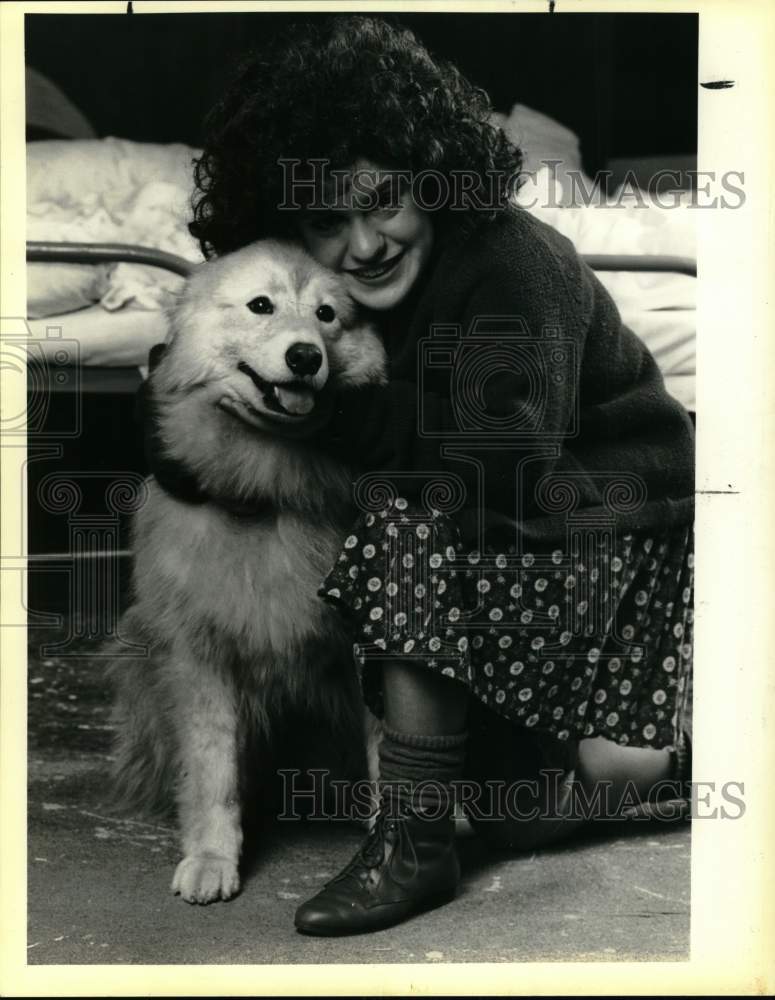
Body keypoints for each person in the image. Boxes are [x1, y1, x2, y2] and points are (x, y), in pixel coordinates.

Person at [145, 15, 695, 936]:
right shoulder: (344, 294)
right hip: (518, 528)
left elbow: (495, 471)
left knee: (408, 513)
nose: (362, 245)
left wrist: (325, 413)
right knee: (519, 801)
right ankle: (622, 772)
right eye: (328, 220)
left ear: (436, 178)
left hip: (605, 515)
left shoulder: (512, 271)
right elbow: (201, 376)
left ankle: (414, 840)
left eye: (384, 201)